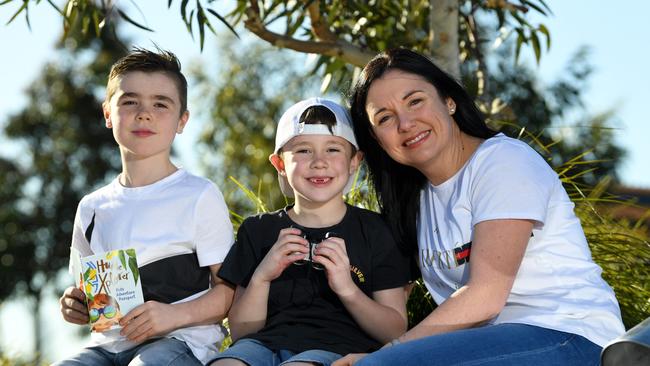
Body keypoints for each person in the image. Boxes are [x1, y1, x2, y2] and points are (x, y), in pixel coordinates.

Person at [334, 48, 626, 365]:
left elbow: (485, 296)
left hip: (571, 336)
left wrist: (392, 352)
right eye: (385, 118)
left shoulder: (503, 161)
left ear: (449, 101)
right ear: (377, 139)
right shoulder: (416, 202)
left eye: (415, 101)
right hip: (492, 345)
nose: (405, 123)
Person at [55, 48, 235, 366]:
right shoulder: (91, 207)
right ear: (108, 114)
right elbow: (88, 293)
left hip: (181, 343)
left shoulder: (199, 195)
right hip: (106, 348)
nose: (144, 113)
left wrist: (172, 315)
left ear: (182, 120)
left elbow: (230, 291)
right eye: (130, 101)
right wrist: (75, 304)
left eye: (160, 104)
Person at [209, 97, 413, 366]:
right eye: (303, 151)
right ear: (280, 164)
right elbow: (242, 333)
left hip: (338, 350)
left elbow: (394, 330)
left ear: (354, 161)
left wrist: (347, 288)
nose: (319, 162)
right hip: (261, 346)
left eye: (333, 150)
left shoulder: (375, 230)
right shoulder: (258, 230)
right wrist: (262, 277)